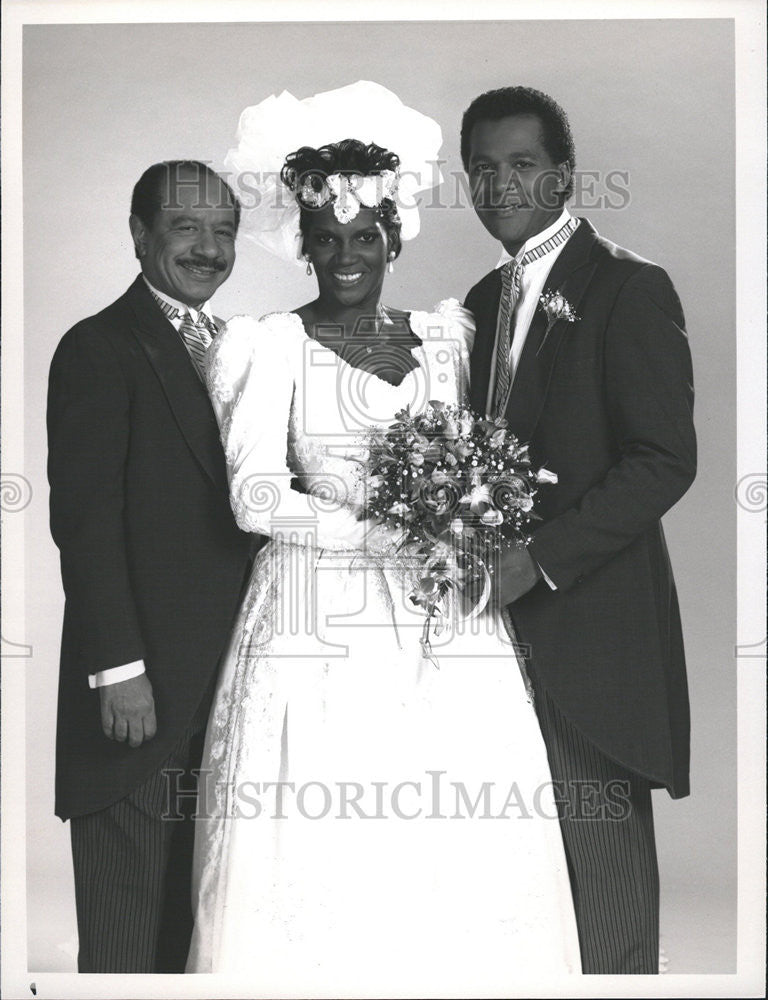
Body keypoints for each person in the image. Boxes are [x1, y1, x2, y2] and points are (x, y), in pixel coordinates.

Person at [186, 82, 581, 992]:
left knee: (448, 809)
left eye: (365, 237)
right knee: (321, 816)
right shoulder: (266, 345)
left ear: (394, 239)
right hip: (312, 612)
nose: (346, 256)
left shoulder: (447, 339)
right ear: (304, 244)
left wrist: (461, 516)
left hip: (436, 610)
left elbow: (469, 453)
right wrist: (374, 532)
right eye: (326, 239)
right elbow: (253, 495)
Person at [461, 85, 696, 974]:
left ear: (563, 176)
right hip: (488, 634)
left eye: (522, 165)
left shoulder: (630, 288)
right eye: (482, 168)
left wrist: (538, 562)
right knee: (517, 887)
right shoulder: (480, 300)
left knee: (603, 892)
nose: (501, 184)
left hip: (589, 628)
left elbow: (663, 460)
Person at [47, 160, 253, 972]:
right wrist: (117, 669)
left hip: (226, 690)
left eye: (225, 232)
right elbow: (85, 523)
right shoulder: (99, 347)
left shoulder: (242, 350)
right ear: (139, 236)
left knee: (191, 937)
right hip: (136, 695)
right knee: (126, 939)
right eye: (186, 229)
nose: (208, 249)